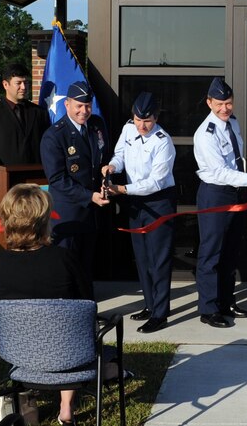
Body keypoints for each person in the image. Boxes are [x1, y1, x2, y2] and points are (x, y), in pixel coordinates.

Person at [0, 183, 91, 425]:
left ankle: (26, 397)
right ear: (43, 220)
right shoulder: (64, 259)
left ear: (7, 220)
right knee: (73, 326)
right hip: (69, 353)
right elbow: (87, 302)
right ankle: (66, 407)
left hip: (19, 354)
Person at [102, 92, 177, 334]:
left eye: (147, 121)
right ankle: (150, 303)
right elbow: (120, 154)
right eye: (137, 120)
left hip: (158, 201)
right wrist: (112, 166)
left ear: (155, 117)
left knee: (159, 259)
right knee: (142, 257)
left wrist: (121, 189)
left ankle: (160, 313)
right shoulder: (128, 130)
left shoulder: (163, 141)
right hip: (134, 200)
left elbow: (155, 182)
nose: (142, 126)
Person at [193, 77, 247, 328]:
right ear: (209, 102)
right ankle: (209, 309)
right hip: (215, 193)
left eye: (229, 103)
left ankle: (226, 302)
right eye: (220, 103)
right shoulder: (206, 133)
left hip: (235, 192)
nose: (225, 108)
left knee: (231, 251)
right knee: (211, 253)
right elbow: (220, 171)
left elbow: (237, 159)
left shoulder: (232, 124)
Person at [40, 81, 109, 290]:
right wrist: (90, 196)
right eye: (78, 105)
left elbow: (102, 159)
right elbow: (57, 179)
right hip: (68, 213)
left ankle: (86, 308)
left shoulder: (97, 125)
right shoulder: (54, 135)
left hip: (93, 213)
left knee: (87, 267)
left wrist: (107, 177)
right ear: (67, 104)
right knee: (67, 266)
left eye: (87, 105)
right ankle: (66, 313)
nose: (84, 111)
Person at [0, 63, 50, 171]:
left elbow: (47, 145)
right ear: (6, 85)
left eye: (26, 82)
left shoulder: (39, 112)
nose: (23, 87)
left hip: (36, 178)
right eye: (18, 83)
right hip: (5, 180)